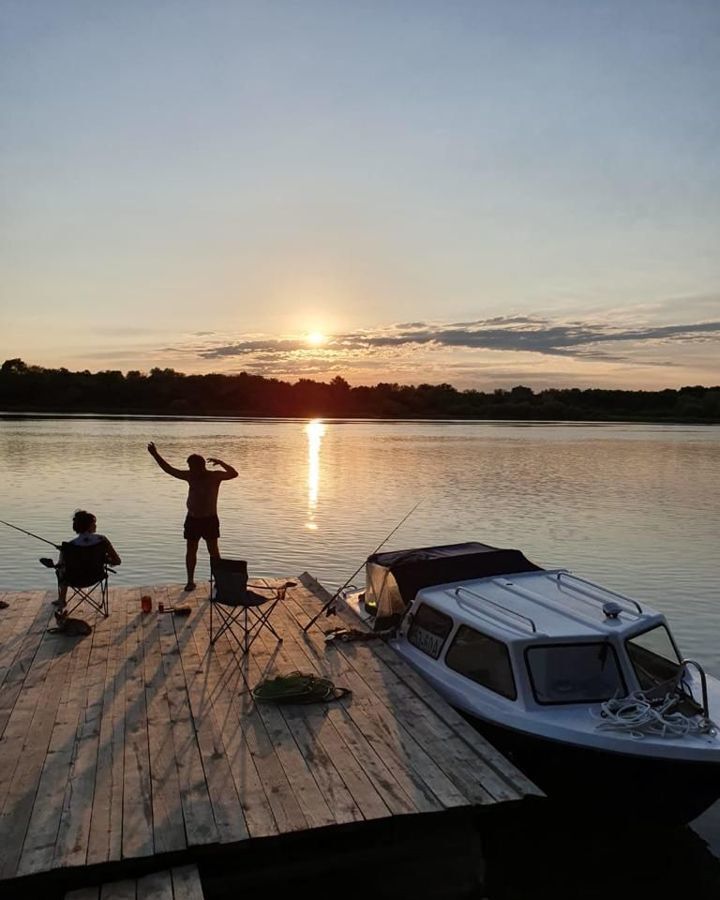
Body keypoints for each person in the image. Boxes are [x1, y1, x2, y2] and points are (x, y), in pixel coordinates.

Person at [147, 442, 238, 591]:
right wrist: (155, 454)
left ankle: (218, 579)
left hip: (209, 519)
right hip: (193, 519)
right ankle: (190, 581)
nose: (190, 469)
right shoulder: (190, 476)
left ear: (200, 466)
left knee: (213, 551)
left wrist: (221, 462)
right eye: (190, 467)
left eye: (192, 467)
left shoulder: (214, 476)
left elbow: (234, 474)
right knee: (191, 550)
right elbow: (169, 470)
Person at [40, 509, 122, 608]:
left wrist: (62, 552)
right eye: (94, 523)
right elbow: (117, 561)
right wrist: (107, 560)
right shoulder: (102, 540)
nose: (96, 526)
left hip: (73, 579)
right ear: (89, 526)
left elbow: (60, 565)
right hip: (96, 577)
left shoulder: (70, 546)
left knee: (60, 570)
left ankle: (62, 600)